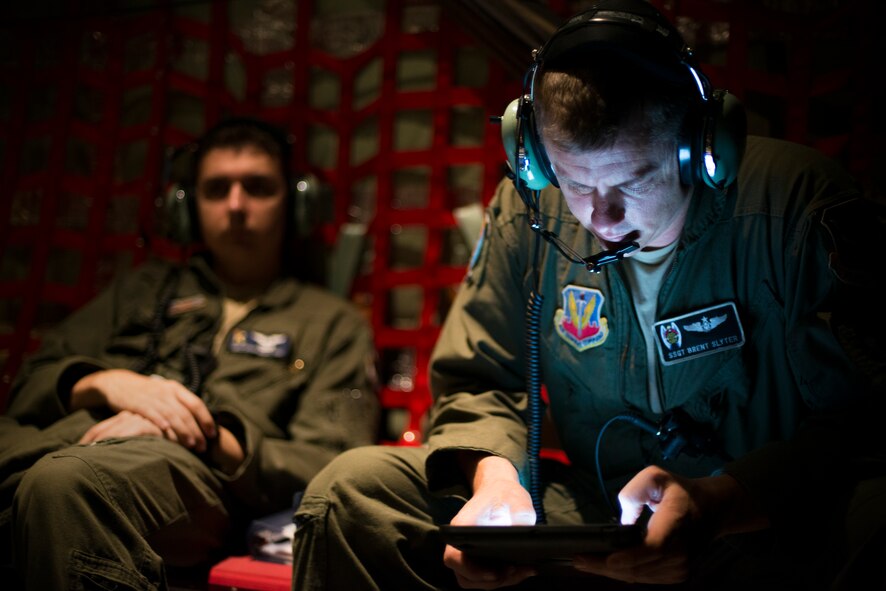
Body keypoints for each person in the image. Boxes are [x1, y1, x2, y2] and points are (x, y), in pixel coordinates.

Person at [290, 1, 886, 589]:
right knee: (353, 493)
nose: (601, 216)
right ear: (538, 159)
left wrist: (725, 503)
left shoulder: (797, 208)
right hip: (601, 523)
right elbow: (478, 379)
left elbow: (864, 424)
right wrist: (494, 481)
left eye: (632, 181)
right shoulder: (529, 212)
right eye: (576, 182)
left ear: (702, 149)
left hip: (765, 530)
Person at [0, 117, 380, 589]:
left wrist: (200, 431)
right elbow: (27, 385)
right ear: (188, 205)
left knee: (64, 486)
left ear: (296, 205)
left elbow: (335, 460)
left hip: (200, 481)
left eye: (258, 188)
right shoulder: (142, 289)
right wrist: (109, 384)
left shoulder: (330, 321)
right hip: (65, 442)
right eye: (217, 189)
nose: (236, 205)